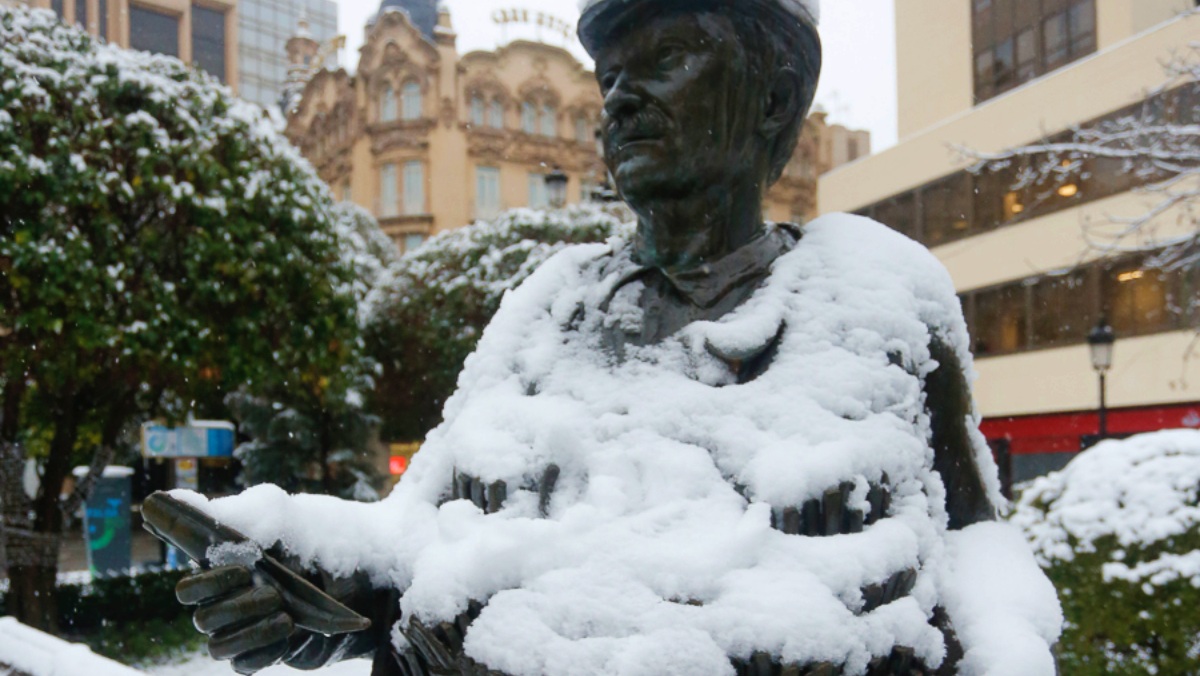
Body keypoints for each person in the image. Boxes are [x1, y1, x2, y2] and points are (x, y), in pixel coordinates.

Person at [165, 1, 1060, 674]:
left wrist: (1011, 653)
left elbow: (975, 540)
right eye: (613, 77)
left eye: (665, 59)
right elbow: (414, 532)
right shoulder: (546, 304)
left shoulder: (882, 293)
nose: (623, 99)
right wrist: (307, 568)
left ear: (775, 98)